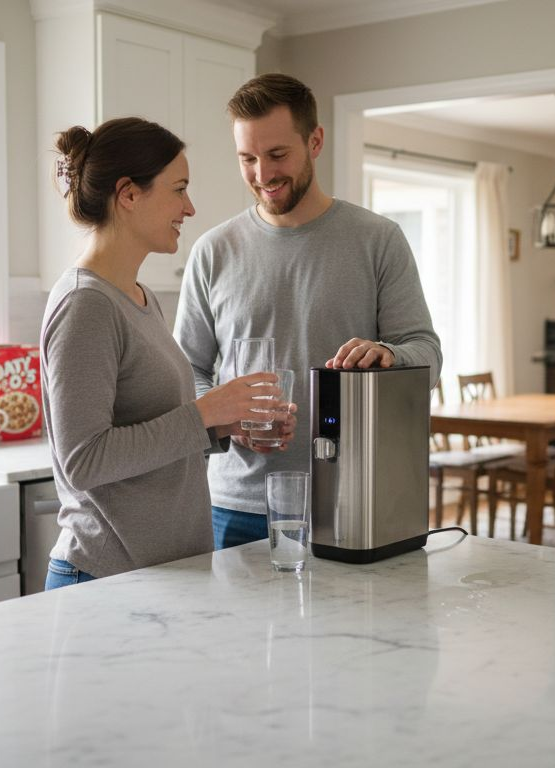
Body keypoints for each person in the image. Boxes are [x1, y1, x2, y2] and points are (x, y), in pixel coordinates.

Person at [174, 73, 442, 550]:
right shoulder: (212, 250)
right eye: (248, 158)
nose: (263, 174)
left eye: (277, 155)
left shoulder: (378, 240)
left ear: (315, 141)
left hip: (350, 501)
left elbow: (427, 354)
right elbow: (186, 372)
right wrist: (228, 421)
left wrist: (385, 355)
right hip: (235, 506)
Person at [41, 117, 285, 589]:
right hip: (104, 578)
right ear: (129, 194)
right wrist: (203, 414)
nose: (190, 207)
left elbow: (154, 426)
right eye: (178, 189)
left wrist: (222, 426)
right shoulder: (84, 304)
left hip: (162, 575)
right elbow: (84, 460)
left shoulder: (137, 295)